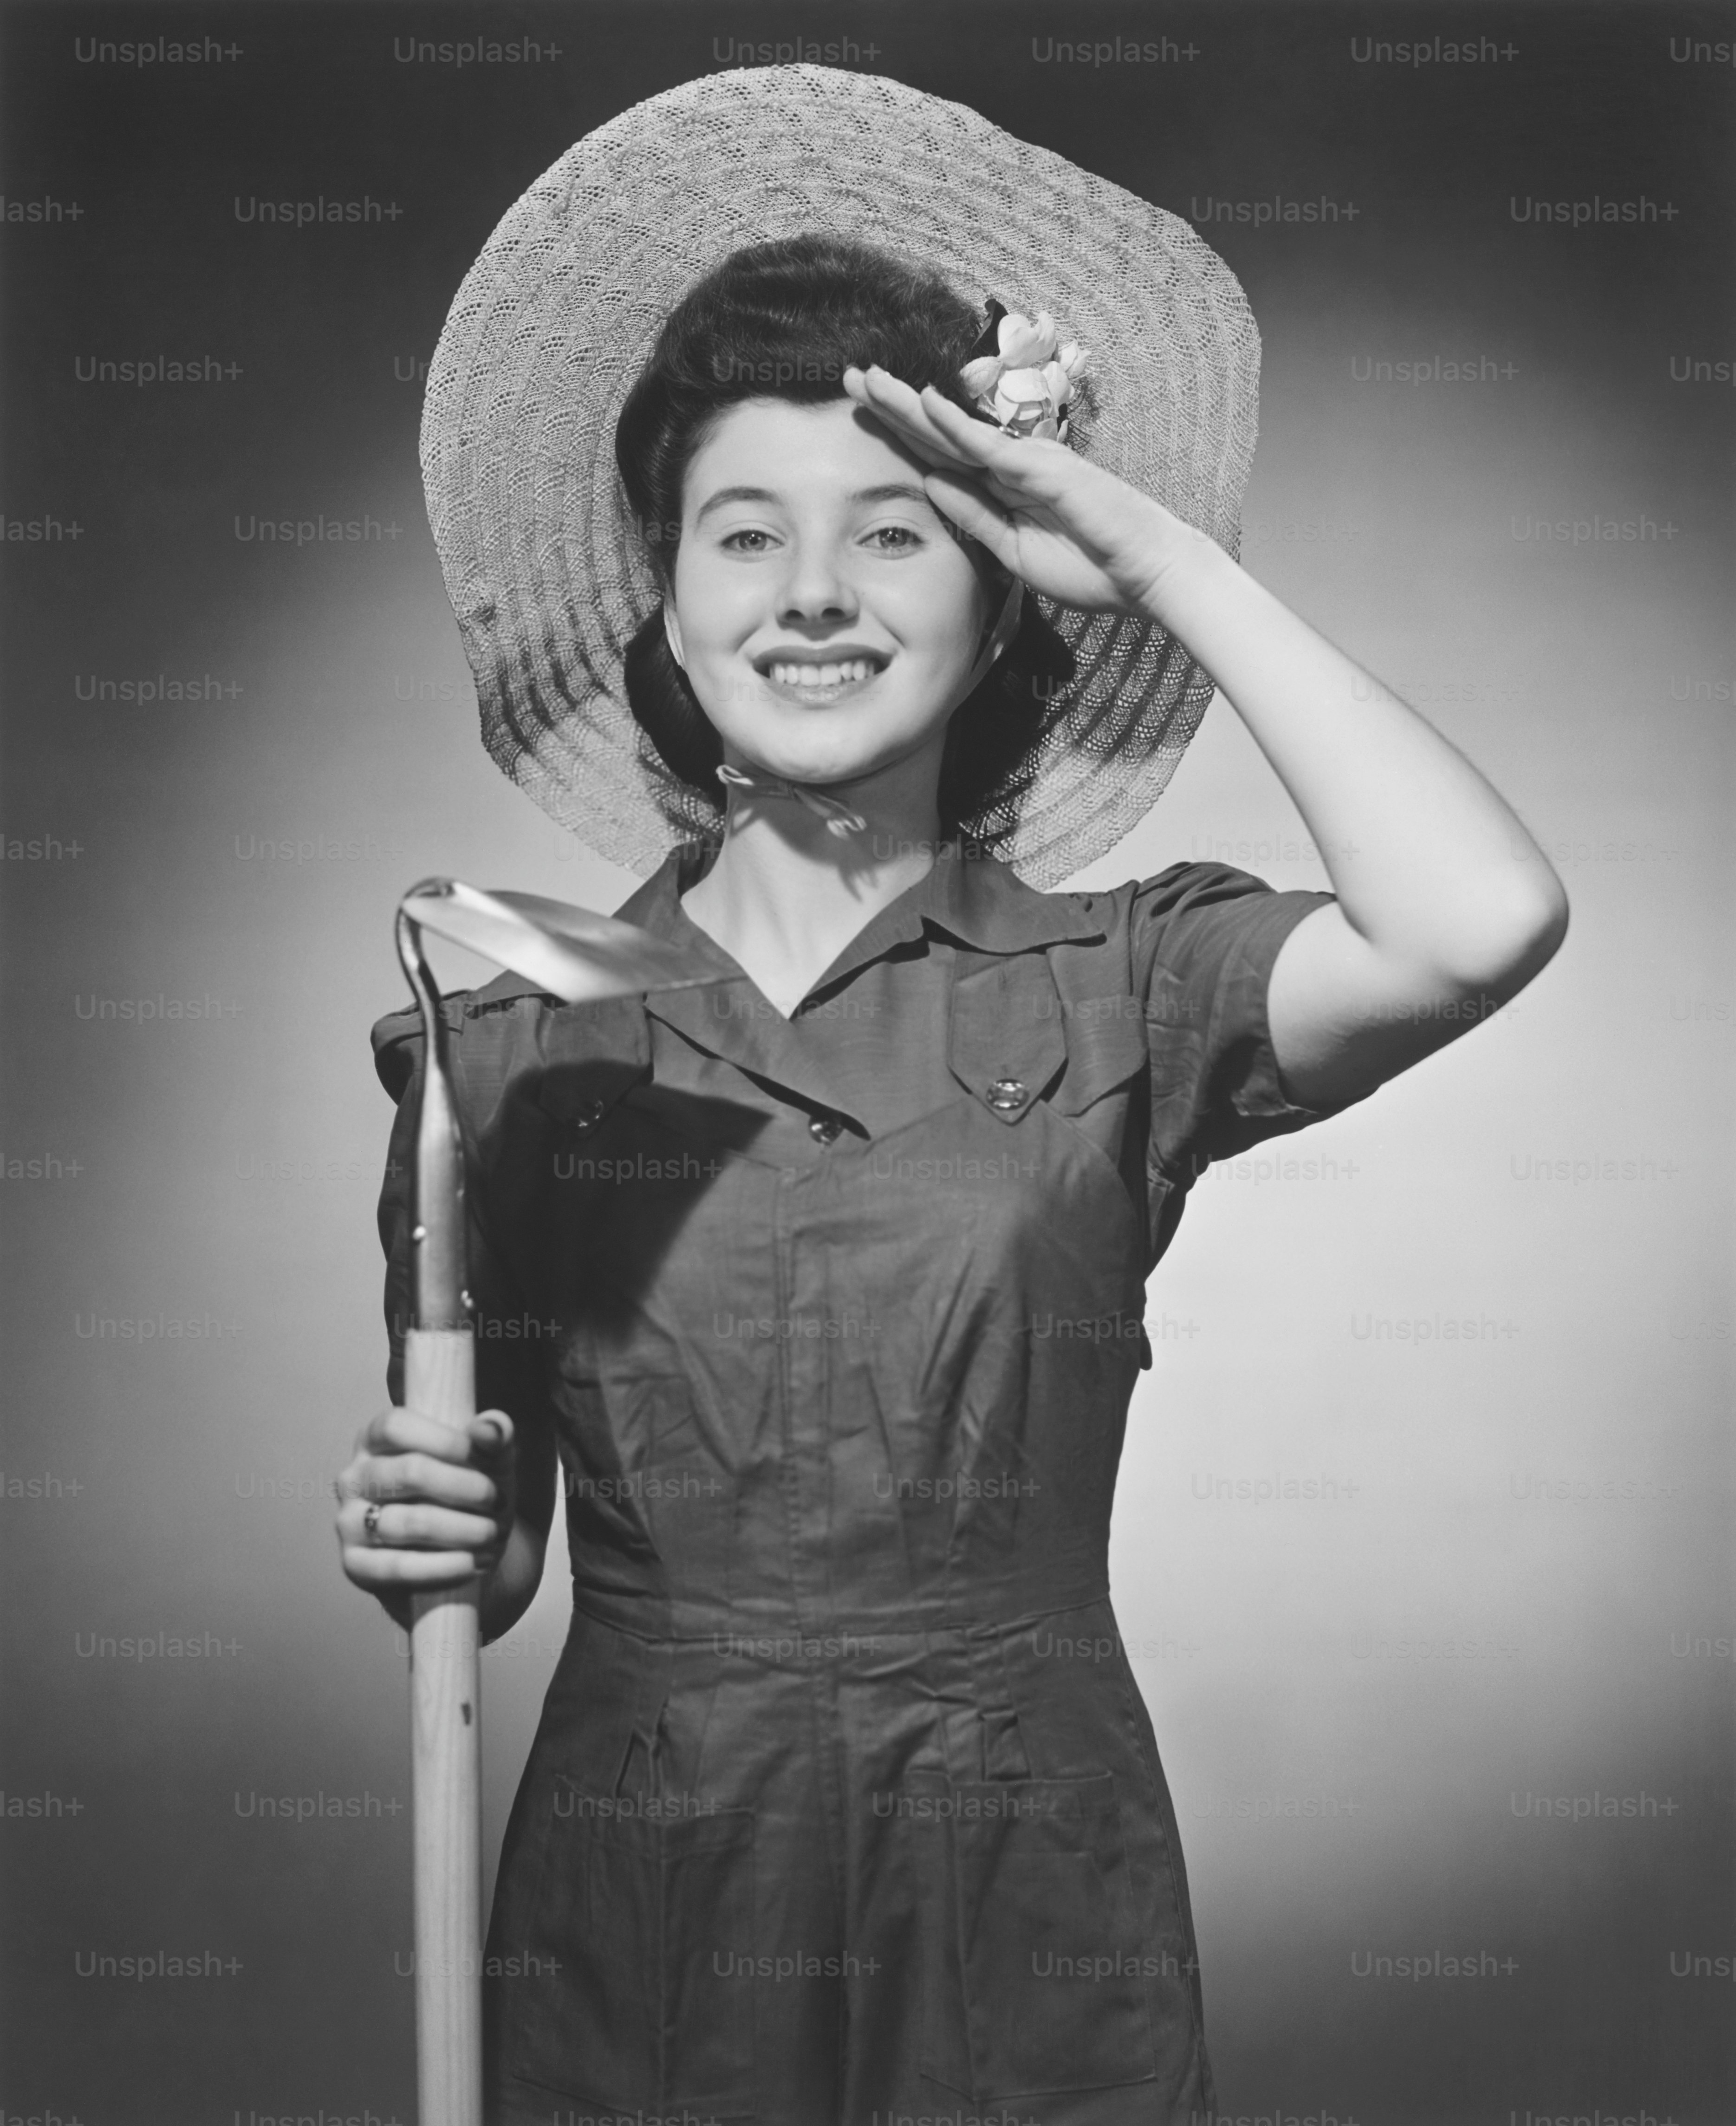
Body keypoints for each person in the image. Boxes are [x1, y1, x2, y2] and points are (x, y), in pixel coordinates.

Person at [332, 69, 1567, 2126]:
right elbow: (498, 1559)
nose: (811, 593)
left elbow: (1475, 917)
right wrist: (426, 1533)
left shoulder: (1129, 983)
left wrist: (1144, 547)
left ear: (998, 591)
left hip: (1023, 1881)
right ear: (664, 597)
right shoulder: (509, 1045)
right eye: (745, 534)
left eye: (890, 531)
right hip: (642, 1898)